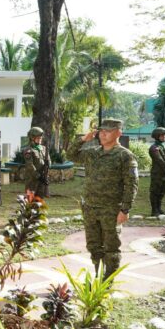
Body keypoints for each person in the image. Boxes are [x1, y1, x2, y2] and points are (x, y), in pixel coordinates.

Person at [66, 119, 138, 279]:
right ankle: (99, 277)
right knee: (94, 246)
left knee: (111, 248)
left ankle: (108, 280)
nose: (103, 134)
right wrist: (83, 139)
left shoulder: (124, 156)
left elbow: (131, 184)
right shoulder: (93, 153)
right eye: (101, 131)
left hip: (111, 209)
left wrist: (125, 209)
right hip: (91, 208)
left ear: (119, 133)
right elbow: (70, 154)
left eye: (108, 131)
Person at [149, 127, 165, 217]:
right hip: (157, 173)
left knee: (162, 191)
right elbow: (159, 160)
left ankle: (159, 208)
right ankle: (154, 210)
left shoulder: (164, 147)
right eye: (163, 135)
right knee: (155, 191)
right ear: (157, 136)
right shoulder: (154, 148)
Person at [22, 126, 51, 197]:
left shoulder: (43, 148)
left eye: (41, 138)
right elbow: (30, 165)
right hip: (32, 180)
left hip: (42, 179)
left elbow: (49, 161)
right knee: (30, 201)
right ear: (32, 138)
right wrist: (38, 176)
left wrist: (48, 164)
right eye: (38, 138)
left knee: (40, 201)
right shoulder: (29, 150)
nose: (40, 139)